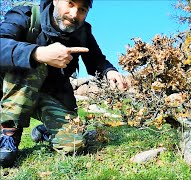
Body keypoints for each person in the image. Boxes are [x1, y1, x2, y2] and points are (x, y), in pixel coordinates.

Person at [0, 0, 127, 167]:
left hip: (53, 92)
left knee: (74, 145)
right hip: (12, 89)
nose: (74, 14)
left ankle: (45, 131)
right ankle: (8, 133)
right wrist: (38, 53)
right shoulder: (26, 15)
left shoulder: (83, 31)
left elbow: (96, 59)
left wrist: (109, 71)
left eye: (82, 9)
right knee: (35, 64)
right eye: (70, 3)